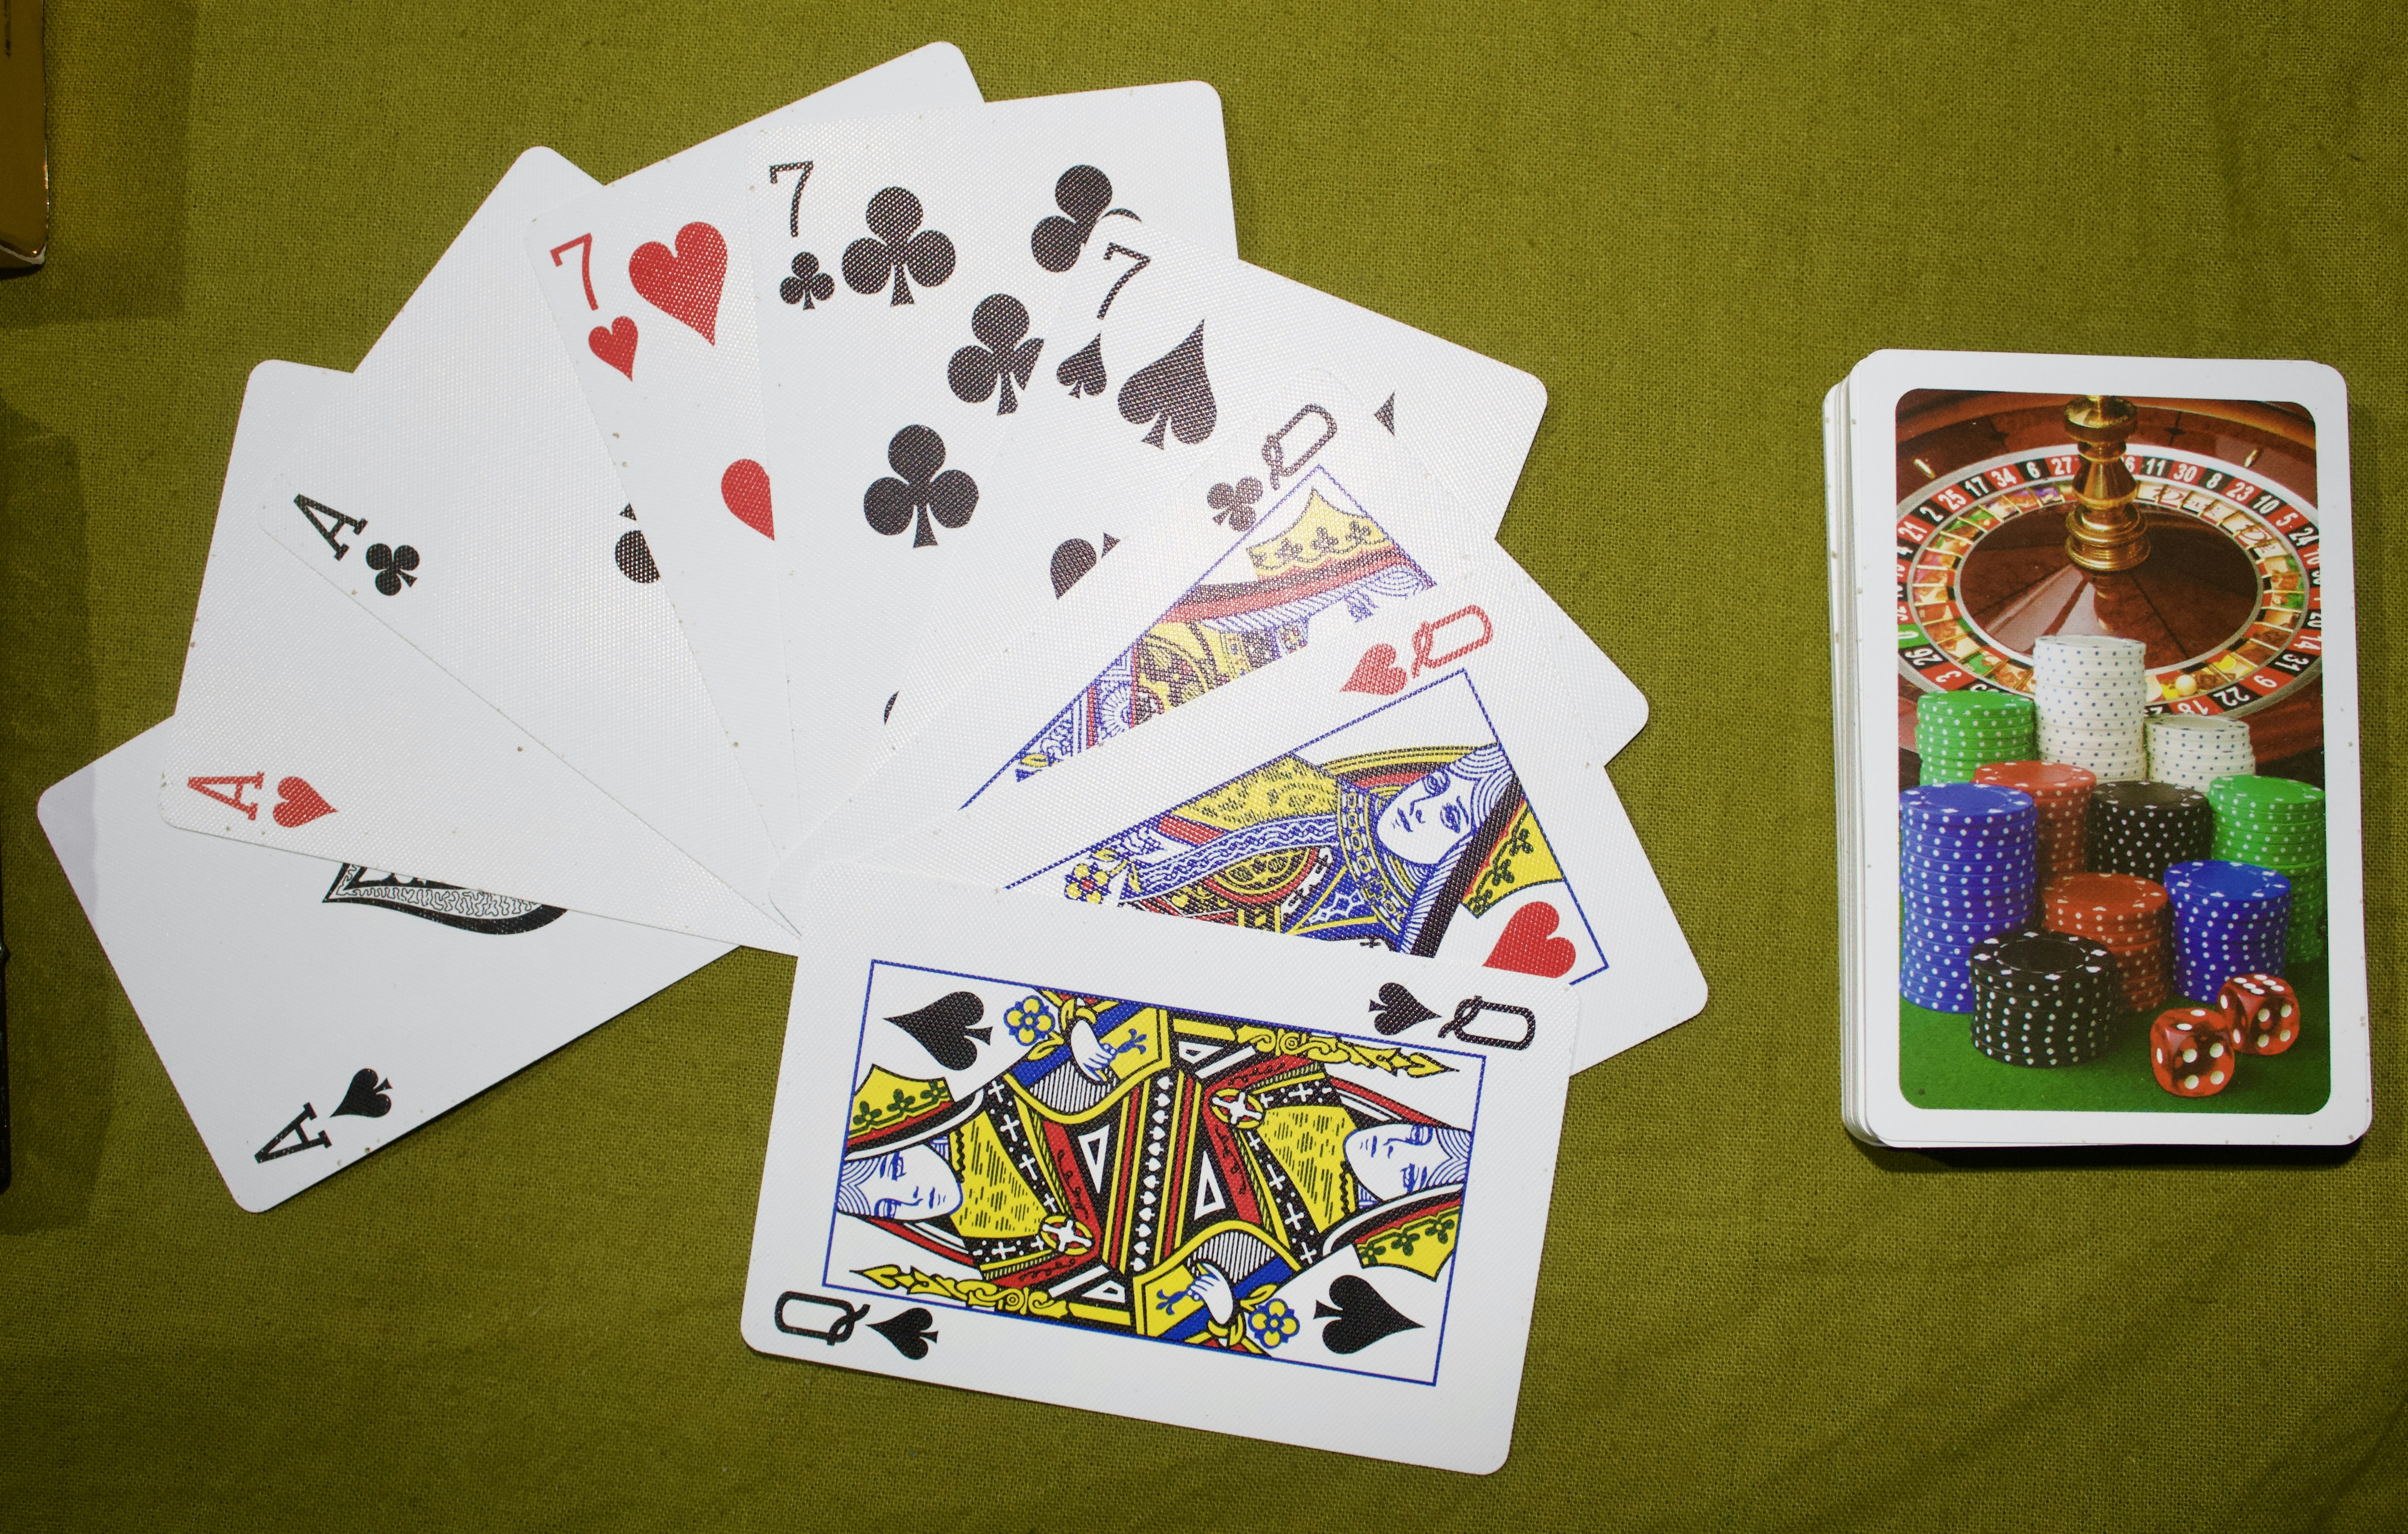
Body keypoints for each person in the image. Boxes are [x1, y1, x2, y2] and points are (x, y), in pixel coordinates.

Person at [833, 988, 1472, 1353]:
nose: (1400, 1151)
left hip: (1177, 1224)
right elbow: (1099, 1302)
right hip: (1146, 1214)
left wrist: (1221, 1313)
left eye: (1416, 1171)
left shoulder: (1307, 1114)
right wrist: (1084, 1030)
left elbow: (1166, 1038)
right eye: (885, 1200)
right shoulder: (996, 1251)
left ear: (1407, 1206)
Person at [1060, 742, 1565, 962]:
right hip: (1100, 880)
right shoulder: (1326, 796)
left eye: (1450, 818)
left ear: (1456, 860)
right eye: (1435, 785)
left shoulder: (1381, 948)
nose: (1421, 806)